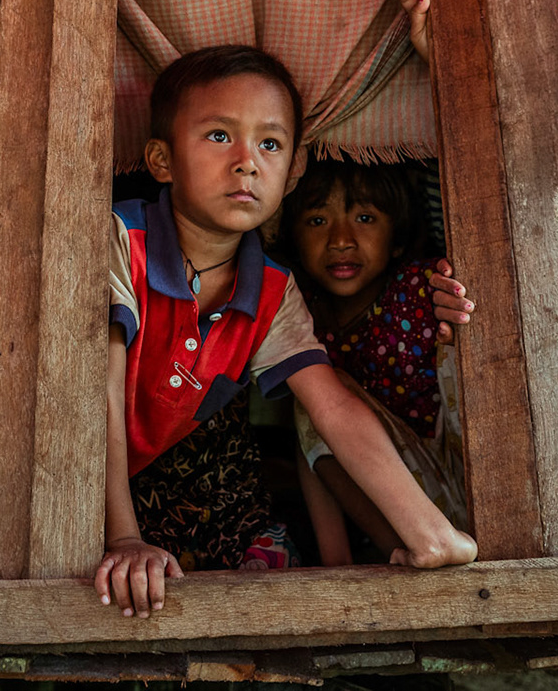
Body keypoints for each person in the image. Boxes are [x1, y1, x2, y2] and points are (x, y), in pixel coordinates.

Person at [98, 45, 476, 619]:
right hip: (58, 479)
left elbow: (335, 411)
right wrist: (123, 537)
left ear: (293, 169)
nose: (248, 161)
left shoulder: (273, 289)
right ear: (161, 158)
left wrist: (429, 531)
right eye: (220, 136)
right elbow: (92, 389)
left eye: (270, 144)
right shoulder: (121, 240)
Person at [280, 159, 473, 564]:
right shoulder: (299, 317)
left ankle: (426, 542)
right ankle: (394, 554)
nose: (341, 240)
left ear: (397, 239)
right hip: (405, 509)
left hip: (472, 479)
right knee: (310, 392)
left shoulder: (422, 290)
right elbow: (310, 448)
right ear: (293, 240)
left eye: (364, 217)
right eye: (317, 221)